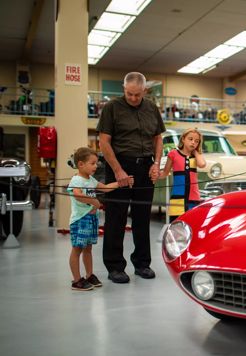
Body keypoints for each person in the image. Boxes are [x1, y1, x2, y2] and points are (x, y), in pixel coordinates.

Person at [97, 72, 166, 283]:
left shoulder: (151, 108)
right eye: (129, 94)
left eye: (137, 94)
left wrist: (156, 164)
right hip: (120, 165)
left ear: (145, 91)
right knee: (116, 217)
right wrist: (118, 171)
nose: (134, 98)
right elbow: (104, 142)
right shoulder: (111, 108)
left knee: (142, 217)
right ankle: (115, 266)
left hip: (145, 167)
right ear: (123, 89)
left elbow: (158, 139)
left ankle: (142, 263)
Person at [67, 147, 132, 291]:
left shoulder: (91, 180)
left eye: (96, 163)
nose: (96, 166)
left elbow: (107, 188)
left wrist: (123, 182)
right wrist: (94, 202)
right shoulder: (76, 179)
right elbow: (77, 194)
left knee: (88, 249)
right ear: (81, 164)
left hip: (91, 219)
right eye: (92, 163)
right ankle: (77, 280)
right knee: (77, 249)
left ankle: (89, 275)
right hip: (80, 220)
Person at [160, 128, 206, 222]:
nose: (193, 142)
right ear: (183, 139)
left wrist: (196, 152)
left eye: (196, 141)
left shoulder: (196, 156)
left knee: (192, 226)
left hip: (193, 198)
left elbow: (202, 164)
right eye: (190, 139)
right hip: (177, 199)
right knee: (177, 227)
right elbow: (165, 173)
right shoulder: (173, 154)